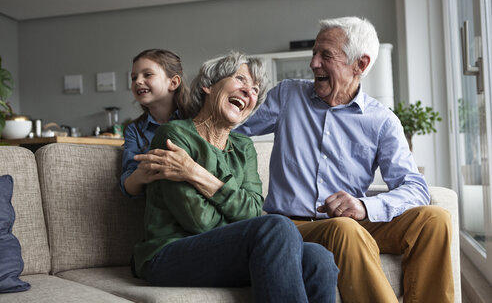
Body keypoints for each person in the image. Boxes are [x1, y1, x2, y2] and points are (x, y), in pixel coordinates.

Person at [236, 17, 454, 303]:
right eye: (314, 53)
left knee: (435, 219)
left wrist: (365, 206)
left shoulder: (382, 120)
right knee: (344, 228)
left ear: (360, 65)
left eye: (325, 55)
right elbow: (230, 127)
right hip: (294, 227)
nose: (313, 63)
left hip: (353, 224)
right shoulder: (288, 96)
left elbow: (414, 187)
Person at [132, 52, 339, 302]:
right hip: (168, 254)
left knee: (319, 258)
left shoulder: (243, 146)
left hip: (225, 251)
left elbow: (252, 210)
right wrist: (240, 221)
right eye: (240, 79)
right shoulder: (174, 136)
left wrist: (196, 173)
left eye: (254, 90)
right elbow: (200, 222)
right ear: (208, 85)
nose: (248, 92)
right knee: (276, 226)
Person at [120, 49, 192, 197]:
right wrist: (139, 176)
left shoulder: (195, 119)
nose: (138, 81)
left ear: (173, 82)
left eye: (147, 74)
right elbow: (128, 187)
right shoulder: (134, 130)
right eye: (134, 77)